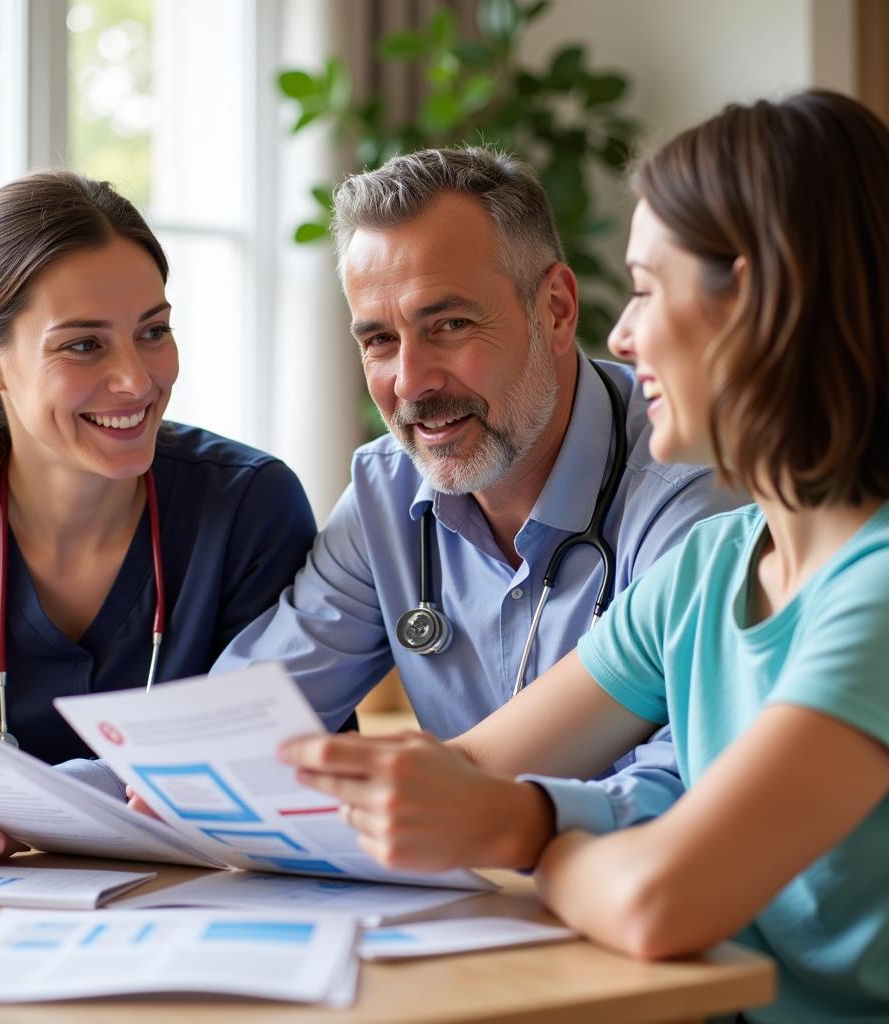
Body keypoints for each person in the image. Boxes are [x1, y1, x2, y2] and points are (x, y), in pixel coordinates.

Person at [280, 90, 889, 1022]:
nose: (621, 334)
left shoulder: (877, 590)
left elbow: (653, 900)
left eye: (648, 289)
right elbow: (469, 772)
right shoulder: (716, 568)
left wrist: (527, 831)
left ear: (764, 303)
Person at [213, 146, 741, 811]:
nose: (410, 381)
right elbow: (243, 726)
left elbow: (701, 788)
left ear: (554, 309)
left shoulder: (690, 494)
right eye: (379, 340)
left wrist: (501, 823)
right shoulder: (387, 493)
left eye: (450, 325)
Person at [0, 170, 317, 862]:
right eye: (84, 344)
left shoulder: (250, 506)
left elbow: (303, 770)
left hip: (199, 925)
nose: (136, 381)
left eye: (154, 332)